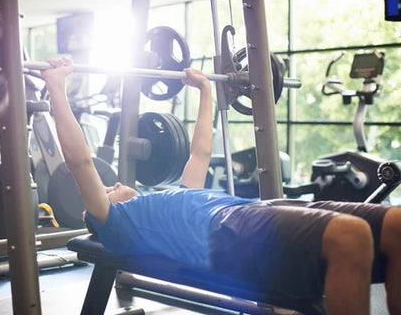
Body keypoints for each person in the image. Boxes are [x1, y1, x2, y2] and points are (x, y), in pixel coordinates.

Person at [41, 57, 401, 315]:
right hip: (225, 233)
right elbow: (80, 161)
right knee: (349, 236)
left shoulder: (176, 197)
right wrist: (57, 87)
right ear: (95, 211)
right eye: (107, 188)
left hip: (250, 210)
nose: (116, 182)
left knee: (396, 224)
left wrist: (205, 89)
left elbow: (200, 152)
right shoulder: (115, 222)